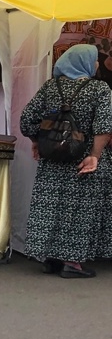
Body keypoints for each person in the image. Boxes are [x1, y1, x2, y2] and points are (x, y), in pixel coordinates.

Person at [19, 43, 112, 277]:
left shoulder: (50, 86)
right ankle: (72, 263)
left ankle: (51, 259)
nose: (97, 64)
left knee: (50, 207)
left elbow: (27, 119)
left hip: (52, 159)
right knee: (80, 210)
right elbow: (104, 126)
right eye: (94, 60)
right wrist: (94, 156)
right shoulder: (100, 89)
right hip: (82, 157)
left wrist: (37, 141)